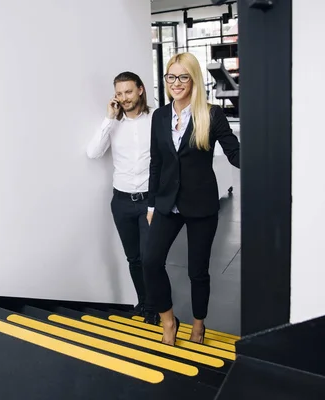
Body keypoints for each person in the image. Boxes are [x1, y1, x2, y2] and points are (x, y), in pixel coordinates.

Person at [143, 53, 240, 345]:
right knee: (150, 262)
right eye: (171, 77)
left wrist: (264, 153)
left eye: (183, 76)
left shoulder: (211, 114)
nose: (176, 83)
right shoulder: (160, 116)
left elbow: (234, 153)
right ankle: (168, 321)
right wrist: (150, 203)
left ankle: (199, 325)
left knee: (198, 271)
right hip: (166, 203)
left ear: (193, 79)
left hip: (200, 205)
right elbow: (156, 162)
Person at [86, 71, 159, 325]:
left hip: (151, 200)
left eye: (128, 91)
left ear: (140, 90)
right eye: (119, 93)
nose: (124, 97)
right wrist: (109, 119)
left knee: (151, 258)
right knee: (134, 258)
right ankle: (145, 304)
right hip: (122, 201)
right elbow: (93, 152)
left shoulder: (156, 119)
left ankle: (157, 308)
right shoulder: (113, 123)